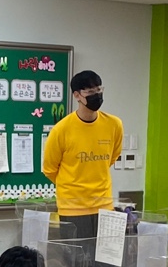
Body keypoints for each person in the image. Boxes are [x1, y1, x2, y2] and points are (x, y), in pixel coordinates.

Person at [42, 70, 123, 242]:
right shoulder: (61, 130)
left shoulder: (114, 125)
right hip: (73, 209)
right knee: (76, 258)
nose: (97, 95)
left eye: (99, 90)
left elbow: (112, 157)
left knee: (106, 258)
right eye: (91, 92)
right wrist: (73, 184)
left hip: (105, 205)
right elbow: (49, 169)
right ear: (77, 95)